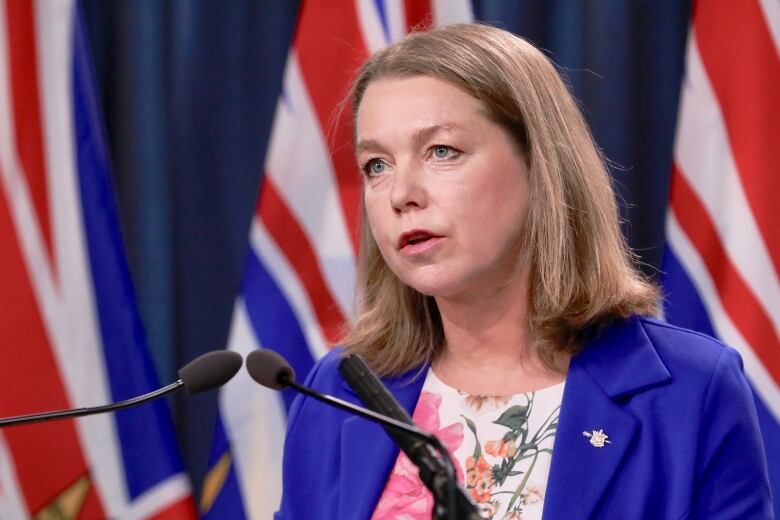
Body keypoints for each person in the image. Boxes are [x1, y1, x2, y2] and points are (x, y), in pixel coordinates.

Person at [275, 23, 772, 519]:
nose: (401, 193)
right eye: (376, 165)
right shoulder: (338, 391)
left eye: (441, 151)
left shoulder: (690, 388)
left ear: (541, 165)